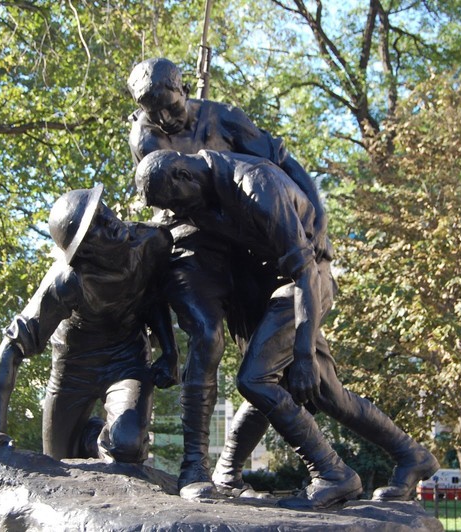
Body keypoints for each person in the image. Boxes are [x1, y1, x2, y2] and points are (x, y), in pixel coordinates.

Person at [135, 149, 439, 509]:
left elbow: (306, 272)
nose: (179, 214)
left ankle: (332, 474)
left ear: (183, 176)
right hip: (275, 288)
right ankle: (411, 455)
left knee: (256, 379)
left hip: (303, 286)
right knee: (329, 395)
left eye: (175, 203)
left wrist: (304, 352)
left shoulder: (256, 186)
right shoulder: (201, 193)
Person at [127, 57, 327, 498]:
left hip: (248, 241)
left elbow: (285, 165)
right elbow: (180, 202)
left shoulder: (225, 117)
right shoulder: (145, 137)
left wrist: (318, 228)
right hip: (193, 240)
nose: (162, 118)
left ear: (183, 87)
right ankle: (193, 467)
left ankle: (233, 470)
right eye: (150, 109)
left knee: (270, 362)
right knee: (207, 335)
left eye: (169, 104)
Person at [0, 185, 179, 465]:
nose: (109, 222)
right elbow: (11, 346)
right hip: (74, 370)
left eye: (102, 212)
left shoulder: (152, 240)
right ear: (84, 252)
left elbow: (153, 298)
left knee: (126, 446)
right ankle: (91, 436)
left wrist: (170, 351)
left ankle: (107, 439)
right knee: (57, 461)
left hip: (127, 360)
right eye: (95, 227)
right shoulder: (66, 282)